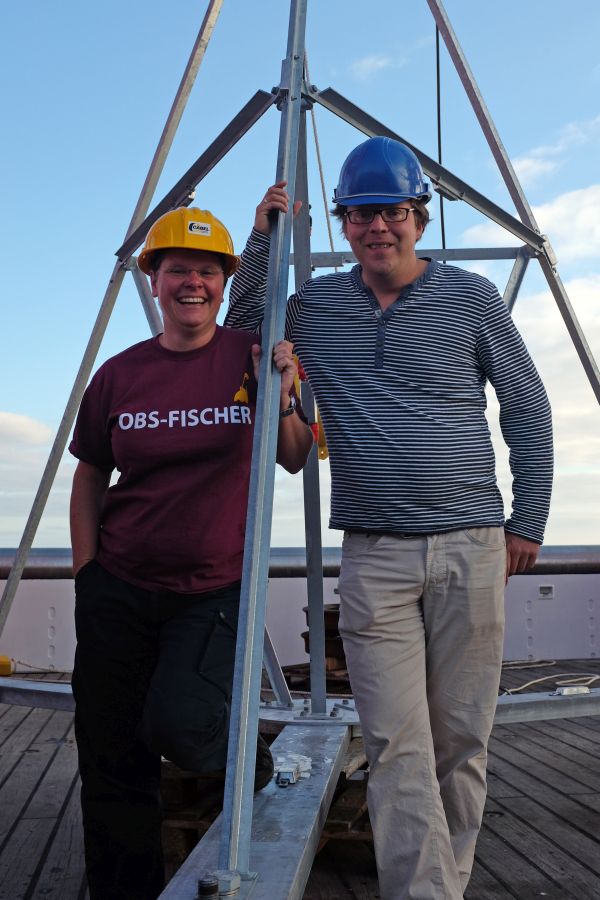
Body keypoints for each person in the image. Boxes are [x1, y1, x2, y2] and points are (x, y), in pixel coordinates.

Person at [225, 136, 553, 900]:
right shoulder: (317, 307)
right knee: (395, 743)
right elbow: (245, 326)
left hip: (473, 547)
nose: (379, 227)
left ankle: (440, 885)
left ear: (419, 217)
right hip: (374, 553)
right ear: (343, 223)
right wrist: (261, 239)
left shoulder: (472, 298)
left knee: (460, 743)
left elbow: (529, 408)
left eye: (393, 213)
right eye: (362, 214)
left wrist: (527, 519)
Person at [69, 205, 313, 900]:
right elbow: (90, 474)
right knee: (111, 751)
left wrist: (286, 392)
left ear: (223, 282)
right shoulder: (121, 374)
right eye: (177, 268)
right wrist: (87, 574)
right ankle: (124, 888)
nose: (192, 282)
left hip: (212, 590)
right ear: (154, 278)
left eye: (207, 270)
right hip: (118, 584)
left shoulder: (253, 357)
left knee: (182, 721)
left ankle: (256, 770)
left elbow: (295, 459)